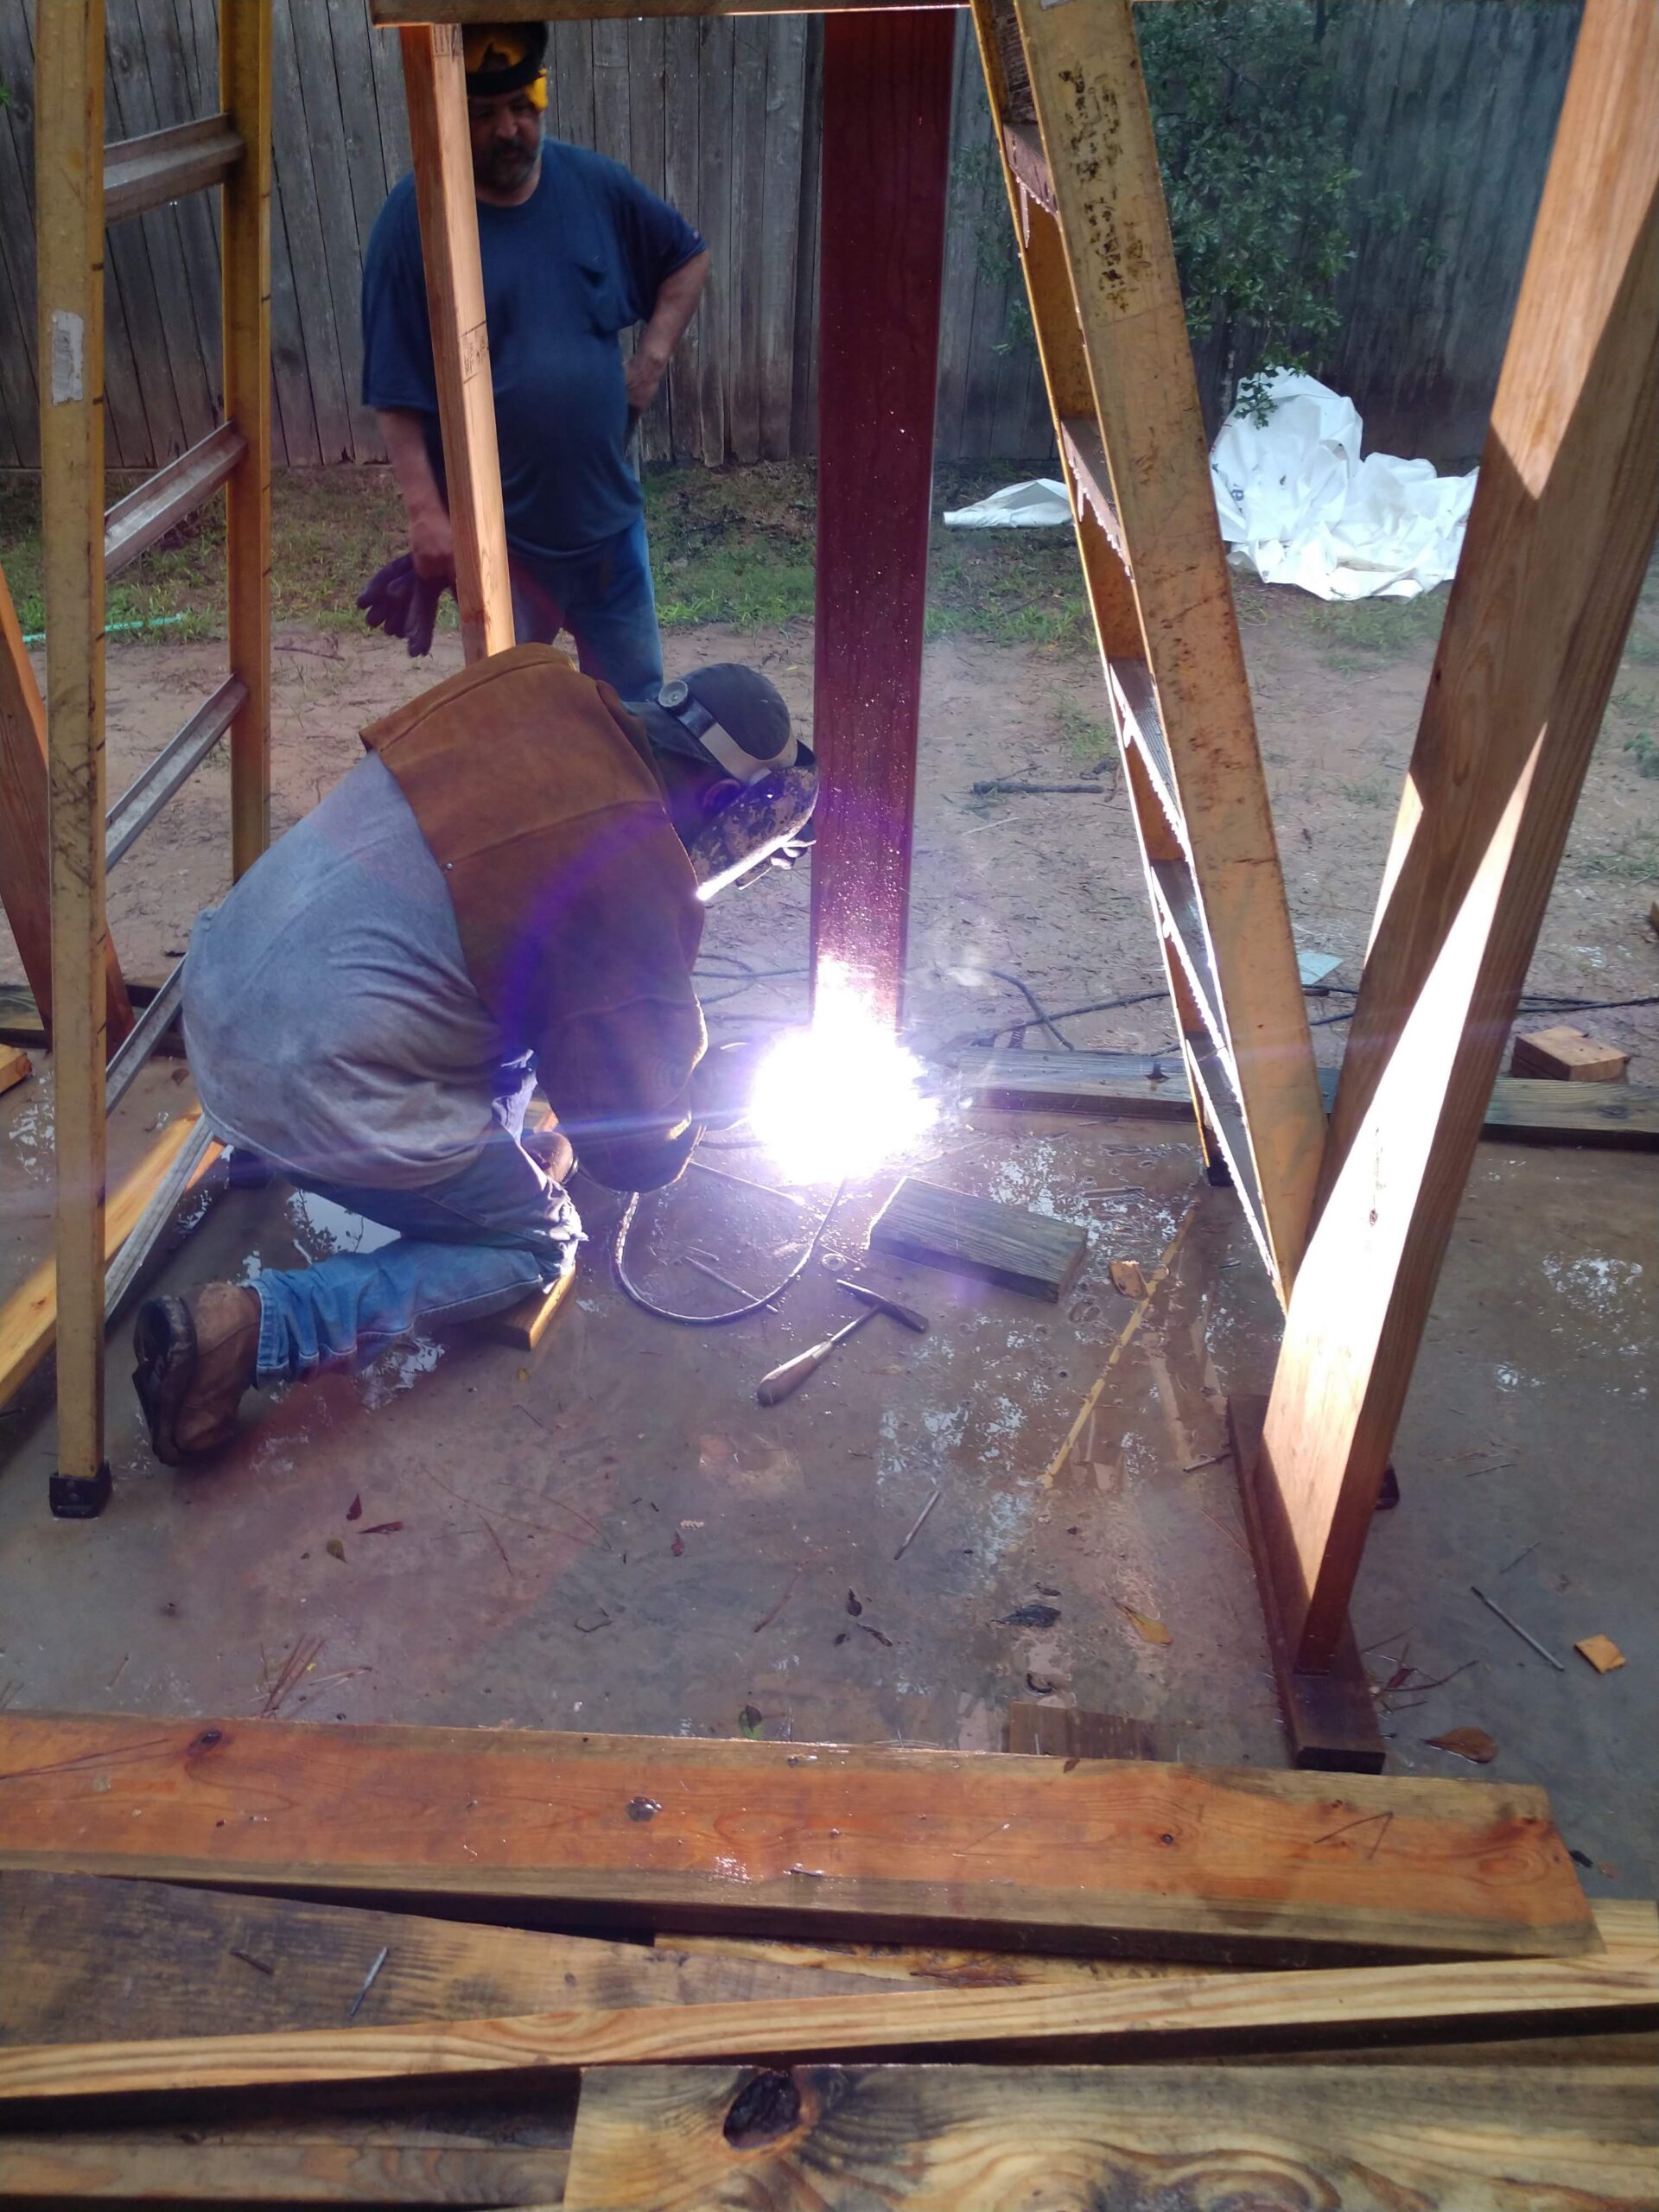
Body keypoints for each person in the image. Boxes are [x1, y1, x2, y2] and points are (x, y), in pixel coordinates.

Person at [130, 652, 816, 1465]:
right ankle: (247, 1330)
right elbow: (633, 1152)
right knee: (541, 1241)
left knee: (501, 982)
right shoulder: (632, 875)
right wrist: (707, 1084)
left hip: (218, 987)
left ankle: (475, 1160)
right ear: (721, 800)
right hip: (302, 1090)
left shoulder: (529, 685)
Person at [360, 22, 709, 695]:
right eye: (484, 113)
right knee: (514, 730)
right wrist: (426, 515)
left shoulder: (594, 186)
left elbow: (687, 256)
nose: (508, 128)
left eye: (521, 105)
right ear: (452, 116)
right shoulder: (415, 220)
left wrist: (652, 359)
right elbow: (394, 385)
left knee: (637, 716)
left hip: (609, 529)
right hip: (504, 550)